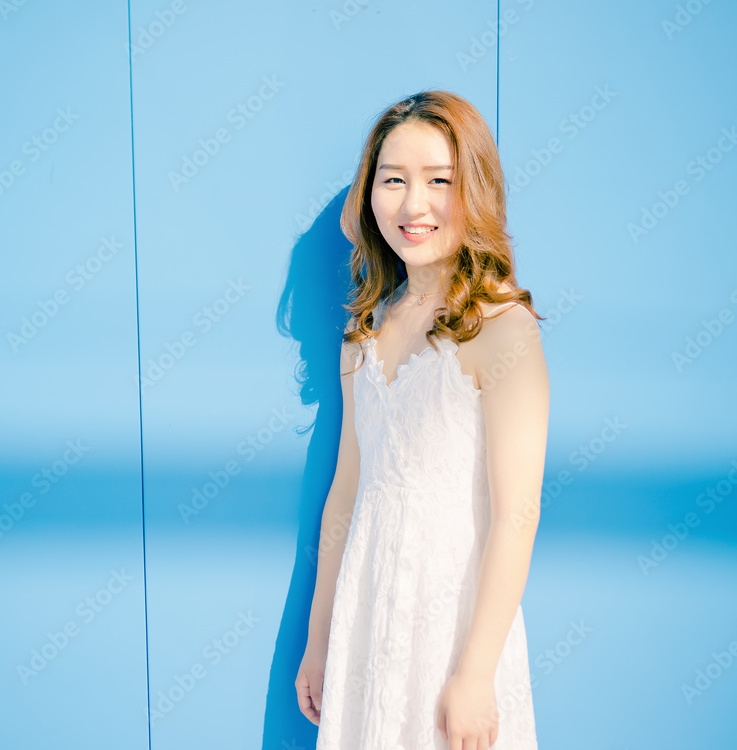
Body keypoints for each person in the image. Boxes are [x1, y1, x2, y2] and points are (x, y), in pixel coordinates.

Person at [295, 90, 549, 750]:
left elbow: (517, 514)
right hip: (368, 606)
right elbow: (346, 496)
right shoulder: (363, 333)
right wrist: (320, 636)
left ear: (475, 190)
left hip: (455, 620)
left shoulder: (504, 327)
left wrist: (475, 673)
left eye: (440, 181)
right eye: (394, 180)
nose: (414, 205)